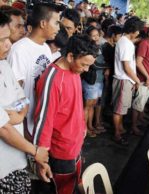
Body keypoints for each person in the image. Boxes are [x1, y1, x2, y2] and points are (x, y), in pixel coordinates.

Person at [33, 34, 98, 193]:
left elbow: (75, 104)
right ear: (70, 56)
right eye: (84, 64)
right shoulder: (53, 79)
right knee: (62, 189)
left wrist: (82, 125)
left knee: (72, 185)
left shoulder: (74, 72)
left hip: (75, 144)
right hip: (60, 151)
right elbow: (43, 120)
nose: (86, 69)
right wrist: (41, 158)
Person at [0, 11, 48, 193]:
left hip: (17, 160)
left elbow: (23, 99)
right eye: (1, 40)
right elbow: (3, 128)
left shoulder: (4, 64)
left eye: (7, 38)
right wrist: (35, 151)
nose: (8, 44)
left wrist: (18, 115)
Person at [7, 2, 63, 140]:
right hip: (26, 123)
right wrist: (23, 121)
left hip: (38, 118)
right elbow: (14, 92)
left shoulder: (45, 48)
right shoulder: (19, 50)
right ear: (43, 23)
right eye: (56, 23)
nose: (58, 28)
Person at [112, 16, 144, 145]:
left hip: (126, 80)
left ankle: (120, 128)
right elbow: (126, 67)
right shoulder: (125, 43)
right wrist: (137, 80)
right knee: (118, 110)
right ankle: (117, 134)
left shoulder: (126, 42)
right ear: (134, 30)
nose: (139, 33)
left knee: (122, 108)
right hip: (123, 79)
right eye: (138, 30)